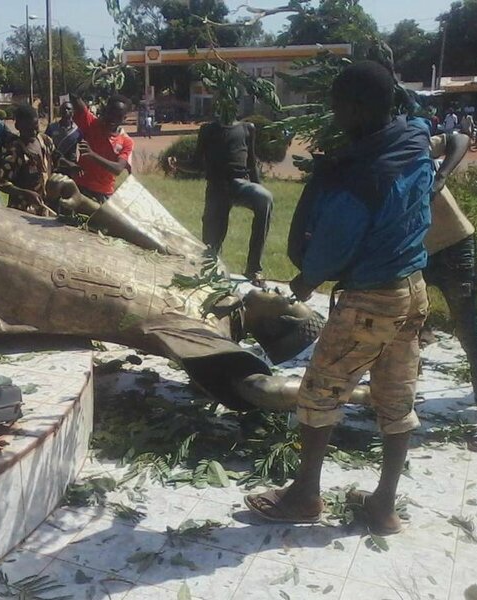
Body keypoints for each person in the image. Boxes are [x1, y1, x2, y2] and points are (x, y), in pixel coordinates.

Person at [245, 61, 433, 536]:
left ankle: (305, 496)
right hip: (413, 291)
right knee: (397, 398)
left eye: (338, 106)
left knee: (319, 394)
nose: (333, 113)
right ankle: (383, 507)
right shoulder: (412, 138)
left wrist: (307, 280)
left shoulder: (361, 180)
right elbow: (420, 117)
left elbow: (332, 248)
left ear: (356, 108)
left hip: (370, 302)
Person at [424, 131, 477, 452]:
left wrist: (441, 176)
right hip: (414, 253)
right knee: (402, 322)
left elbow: (459, 138)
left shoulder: (411, 138)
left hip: (453, 244)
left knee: (469, 330)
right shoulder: (366, 152)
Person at [168, 106, 273, 286]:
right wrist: (178, 164)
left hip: (240, 184)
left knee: (265, 198)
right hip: (216, 187)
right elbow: (198, 164)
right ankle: (211, 268)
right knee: (211, 242)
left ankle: (254, 268)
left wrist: (257, 186)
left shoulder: (247, 129)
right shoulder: (208, 130)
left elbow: (251, 163)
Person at [69, 93, 134, 204]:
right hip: (80, 188)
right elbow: (75, 96)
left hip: (104, 194)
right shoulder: (91, 123)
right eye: (111, 113)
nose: (113, 119)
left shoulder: (126, 141)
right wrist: (92, 79)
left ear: (124, 118)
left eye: (118, 116)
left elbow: (118, 169)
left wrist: (92, 155)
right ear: (105, 110)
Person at [45, 101, 82, 169]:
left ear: (73, 112)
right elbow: (45, 144)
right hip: (55, 164)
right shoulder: (52, 127)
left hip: (71, 166)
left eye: (68, 109)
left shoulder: (78, 131)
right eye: (63, 109)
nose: (66, 110)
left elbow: (82, 149)